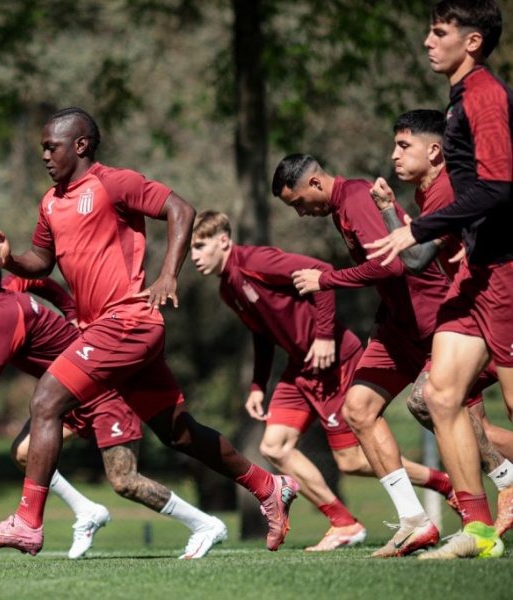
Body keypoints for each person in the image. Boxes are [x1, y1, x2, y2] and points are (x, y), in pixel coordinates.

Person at [0, 107, 299, 557]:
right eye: (42, 148)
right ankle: (268, 486)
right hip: (111, 330)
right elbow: (41, 263)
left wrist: (168, 275)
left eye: (51, 147)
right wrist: (9, 261)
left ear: (80, 145)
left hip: (127, 321)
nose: (44, 155)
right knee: (178, 433)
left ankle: (27, 523)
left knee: (46, 402)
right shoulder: (50, 202)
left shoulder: (114, 183)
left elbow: (181, 209)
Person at [0, 251, 228, 559]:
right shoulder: (8, 288)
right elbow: (39, 281)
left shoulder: (3, 316)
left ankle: (205, 524)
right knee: (24, 453)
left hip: (104, 390)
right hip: (67, 396)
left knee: (125, 482)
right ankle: (87, 511)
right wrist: (71, 312)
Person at [191, 210, 460, 551]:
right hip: (300, 369)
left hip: (334, 362)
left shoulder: (255, 261)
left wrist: (323, 336)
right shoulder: (227, 289)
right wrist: (258, 385)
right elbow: (261, 334)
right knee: (274, 447)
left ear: (223, 240)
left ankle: (443, 483)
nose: (194, 256)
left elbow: (320, 271)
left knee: (351, 461)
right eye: (192, 249)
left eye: (200, 246)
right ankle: (343, 523)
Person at [364, 0, 512, 559]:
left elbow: (498, 186)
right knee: (439, 395)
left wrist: (418, 229)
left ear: (472, 42)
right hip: (476, 272)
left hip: (505, 271)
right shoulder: (458, 100)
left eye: (440, 31)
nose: (428, 41)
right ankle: (477, 531)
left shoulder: (485, 96)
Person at [272, 154, 464, 557]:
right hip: (397, 327)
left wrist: (326, 280)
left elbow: (391, 268)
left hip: (433, 322)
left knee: (465, 421)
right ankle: (414, 521)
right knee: (358, 409)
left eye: (299, 203)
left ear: (315, 183)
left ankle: (505, 480)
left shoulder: (357, 198)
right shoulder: (341, 208)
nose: (301, 213)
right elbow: (388, 278)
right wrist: (382, 318)